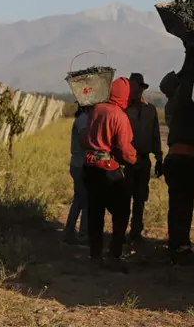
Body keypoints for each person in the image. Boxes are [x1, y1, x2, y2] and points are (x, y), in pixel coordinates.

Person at [82, 77, 138, 272]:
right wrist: (133, 159)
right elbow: (124, 149)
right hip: (108, 168)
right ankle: (114, 254)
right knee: (122, 212)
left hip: (89, 167)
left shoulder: (96, 109)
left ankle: (94, 255)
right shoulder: (119, 116)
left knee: (95, 212)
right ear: (125, 95)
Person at [159, 41, 194, 264]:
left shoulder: (173, 105)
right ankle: (180, 245)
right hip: (182, 162)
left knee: (177, 203)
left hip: (177, 160)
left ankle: (176, 243)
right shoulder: (181, 101)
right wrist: (190, 52)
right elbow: (189, 77)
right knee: (183, 204)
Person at [124, 73, 163, 243]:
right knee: (124, 197)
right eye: (132, 86)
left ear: (142, 88)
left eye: (138, 86)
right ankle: (121, 231)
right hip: (125, 160)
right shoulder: (123, 109)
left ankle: (136, 231)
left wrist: (159, 158)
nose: (135, 90)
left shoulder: (150, 110)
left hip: (144, 159)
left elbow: (155, 136)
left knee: (140, 198)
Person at [62, 103, 90, 245]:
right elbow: (86, 141)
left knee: (81, 200)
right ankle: (81, 234)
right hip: (81, 165)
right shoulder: (84, 119)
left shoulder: (84, 118)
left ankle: (71, 232)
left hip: (80, 164)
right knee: (83, 201)